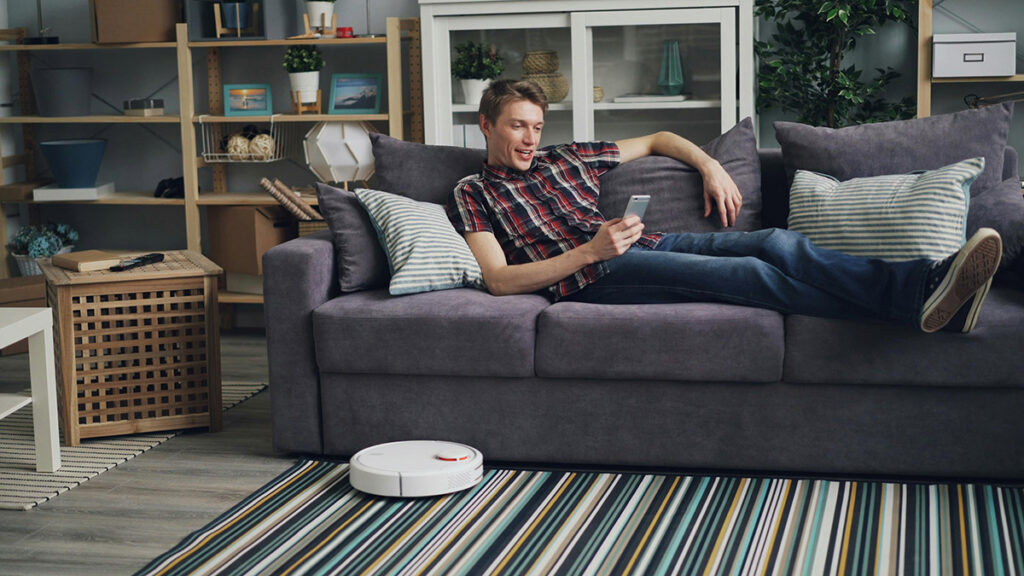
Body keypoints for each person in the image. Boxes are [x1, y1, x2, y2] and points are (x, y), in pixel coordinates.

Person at [446, 79, 1002, 333]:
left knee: (776, 242)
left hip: (647, 241)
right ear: (487, 124)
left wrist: (710, 165)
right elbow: (498, 280)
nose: (529, 137)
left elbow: (661, 136)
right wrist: (588, 253)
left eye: (536, 125)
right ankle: (918, 296)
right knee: (757, 276)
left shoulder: (568, 157)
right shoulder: (474, 191)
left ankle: (927, 289)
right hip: (594, 273)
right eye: (518, 125)